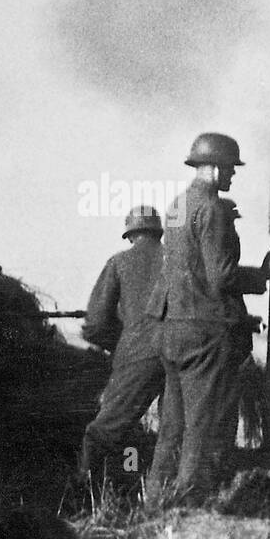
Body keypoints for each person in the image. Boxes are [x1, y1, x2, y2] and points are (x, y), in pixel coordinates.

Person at [144, 133, 270, 508]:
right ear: (212, 168)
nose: (232, 176)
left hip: (172, 328)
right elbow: (221, 276)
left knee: (172, 427)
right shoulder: (212, 209)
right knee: (202, 427)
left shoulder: (177, 205)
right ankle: (190, 508)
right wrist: (265, 274)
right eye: (229, 168)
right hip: (205, 334)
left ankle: (155, 502)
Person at [75, 206, 165, 485]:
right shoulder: (176, 260)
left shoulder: (119, 263)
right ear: (158, 232)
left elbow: (95, 325)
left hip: (138, 356)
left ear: (130, 235)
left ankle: (82, 493)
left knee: (102, 431)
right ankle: (150, 488)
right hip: (181, 355)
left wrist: (119, 341)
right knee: (171, 433)